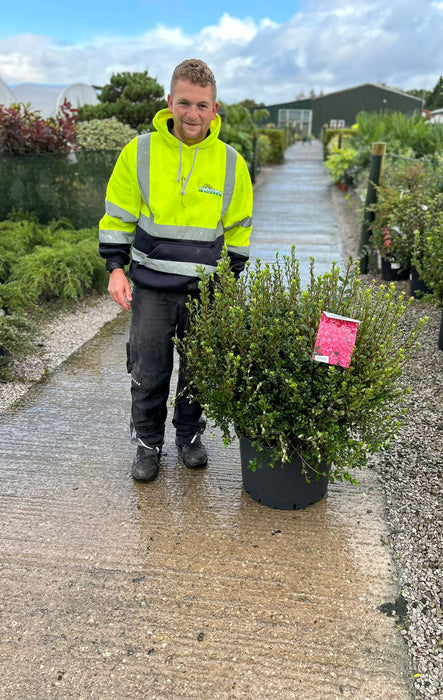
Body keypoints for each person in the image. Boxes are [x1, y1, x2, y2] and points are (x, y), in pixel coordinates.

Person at [99, 58, 253, 482]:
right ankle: (148, 445)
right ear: (170, 101)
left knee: (198, 371)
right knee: (148, 371)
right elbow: (118, 215)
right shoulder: (140, 152)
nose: (193, 114)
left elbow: (239, 226)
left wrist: (230, 281)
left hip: (206, 291)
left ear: (215, 109)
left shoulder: (230, 162)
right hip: (151, 288)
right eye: (184, 103)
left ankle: (188, 437)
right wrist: (115, 267)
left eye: (202, 105)